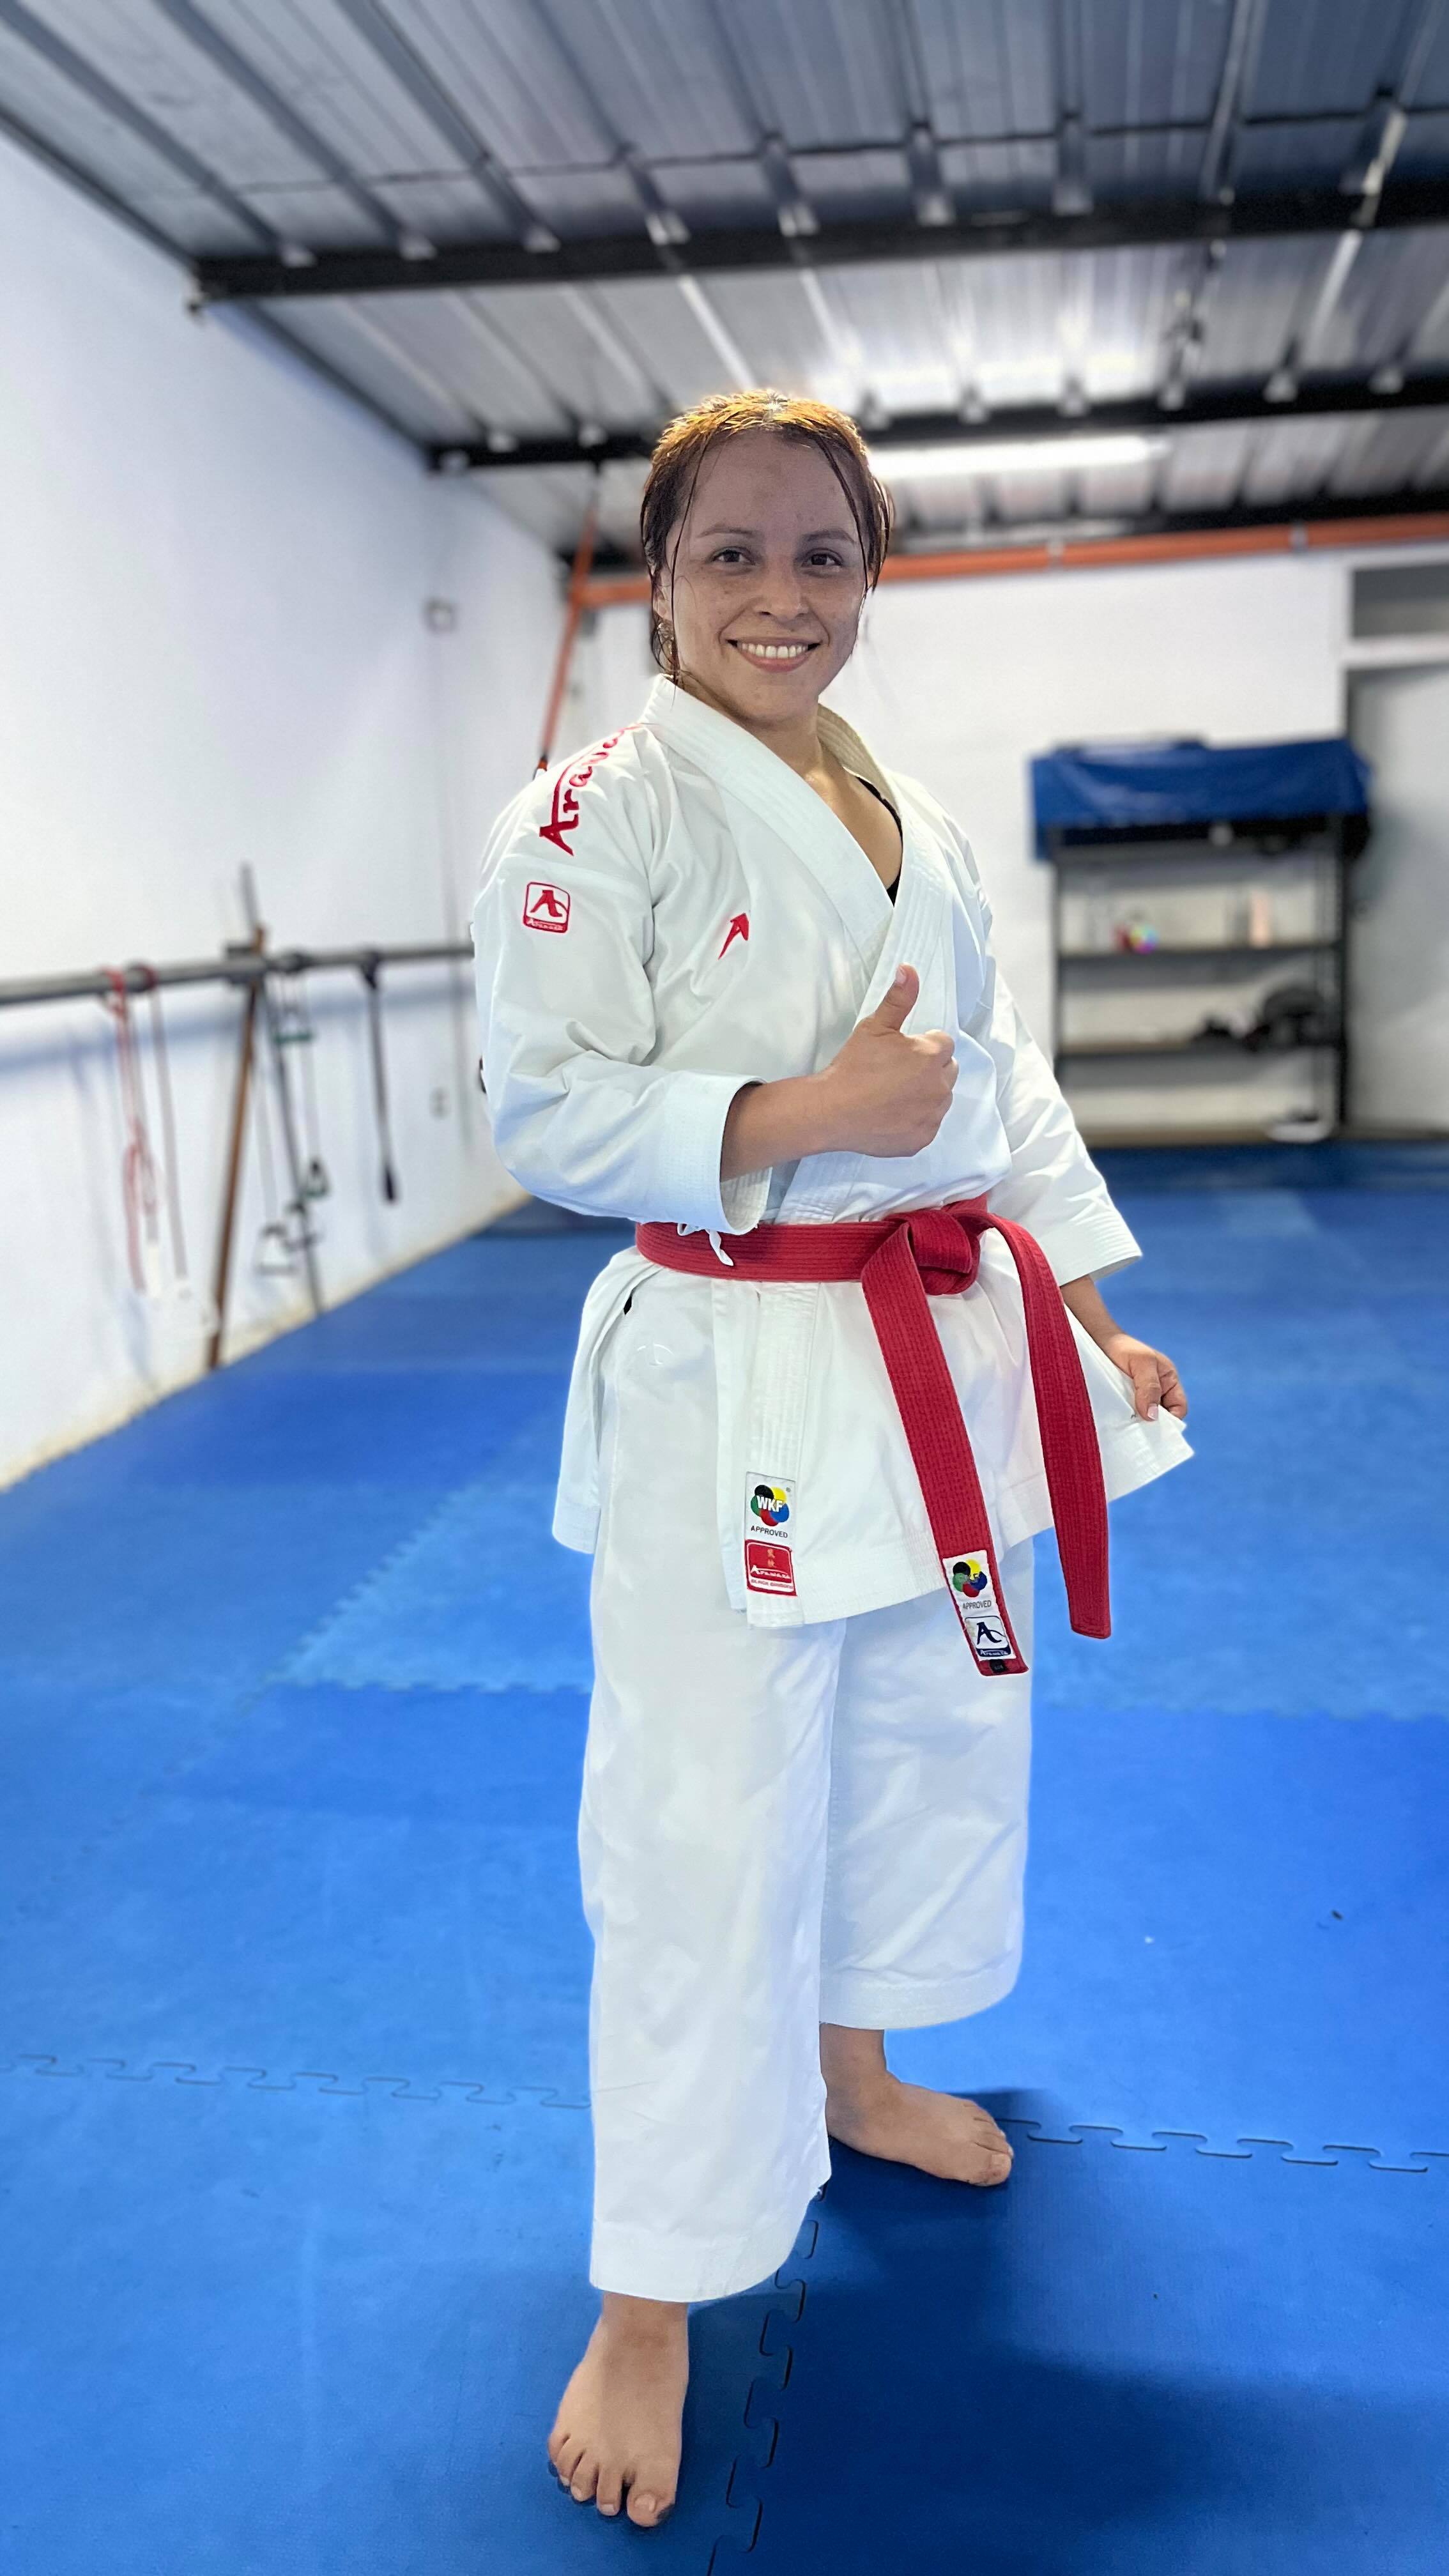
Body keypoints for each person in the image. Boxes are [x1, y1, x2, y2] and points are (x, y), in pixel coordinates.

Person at [472, 389, 1190, 2529]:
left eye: (823, 556)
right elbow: (542, 1109)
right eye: (734, 553)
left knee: (922, 1740)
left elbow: (997, 1085)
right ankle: (651, 2293)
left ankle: (851, 2074)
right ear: (660, 577)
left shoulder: (908, 814)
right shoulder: (584, 822)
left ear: (870, 578)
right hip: (734, 1372)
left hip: (932, 1360)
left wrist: (1086, 1306)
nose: (780, 596)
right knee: (701, 1832)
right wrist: (796, 1120)